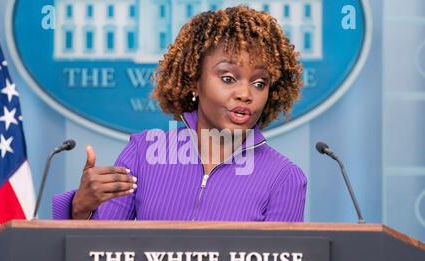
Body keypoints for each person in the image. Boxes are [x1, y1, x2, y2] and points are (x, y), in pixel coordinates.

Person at [53, 5, 307, 222]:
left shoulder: (285, 178)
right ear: (194, 81)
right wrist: (81, 207)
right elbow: (100, 256)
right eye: (228, 78)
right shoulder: (142, 153)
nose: (245, 94)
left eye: (259, 83)